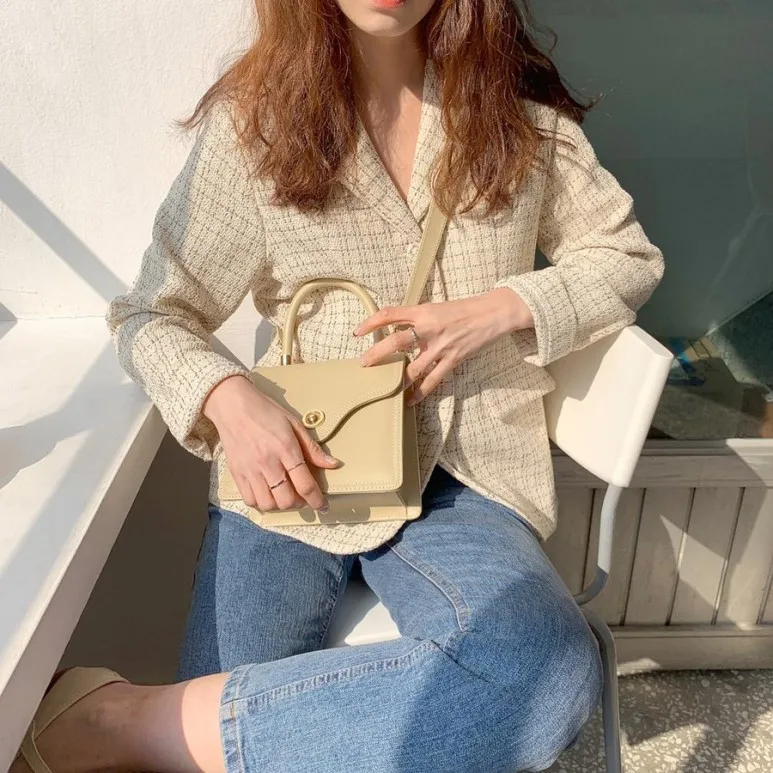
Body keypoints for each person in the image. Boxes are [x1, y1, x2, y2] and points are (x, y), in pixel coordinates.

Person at [14, 0, 665, 771]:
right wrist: (228, 398)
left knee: (544, 674)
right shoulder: (255, 129)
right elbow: (150, 312)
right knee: (249, 728)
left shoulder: (514, 119)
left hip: (467, 476)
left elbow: (625, 257)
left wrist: (497, 309)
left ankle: (117, 720)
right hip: (294, 465)